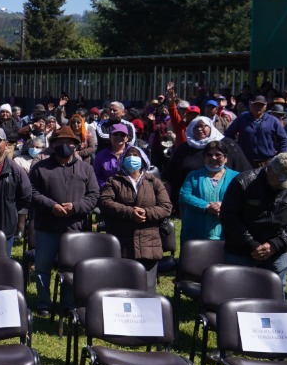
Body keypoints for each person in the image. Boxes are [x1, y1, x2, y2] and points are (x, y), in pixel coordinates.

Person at [27, 126, 100, 314]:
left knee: (71, 268)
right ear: (52, 145)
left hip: (74, 228)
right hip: (46, 227)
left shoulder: (86, 169)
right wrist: (52, 206)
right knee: (43, 266)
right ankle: (43, 302)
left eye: (68, 142)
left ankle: (68, 304)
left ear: (76, 145)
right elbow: (32, 193)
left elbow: (94, 195)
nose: (64, 146)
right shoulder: (40, 168)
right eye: (59, 142)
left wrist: (75, 207)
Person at [220, 152, 287, 290]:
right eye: (282, 180)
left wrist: (275, 244)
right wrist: (253, 245)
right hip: (241, 250)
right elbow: (229, 217)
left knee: (275, 295)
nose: (285, 186)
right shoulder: (243, 182)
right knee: (238, 292)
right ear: (269, 169)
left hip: (277, 252)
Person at [98, 145, 172, 293]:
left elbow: (166, 207)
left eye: (136, 155)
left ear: (143, 160)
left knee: (147, 288)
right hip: (122, 241)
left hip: (149, 243)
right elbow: (105, 202)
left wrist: (146, 213)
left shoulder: (154, 182)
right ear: (123, 160)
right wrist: (130, 212)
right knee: (123, 287)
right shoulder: (114, 181)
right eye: (128, 155)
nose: (132, 158)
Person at [178, 142, 238, 242]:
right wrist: (207, 206)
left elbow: (241, 199)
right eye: (209, 155)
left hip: (227, 235)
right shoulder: (193, 176)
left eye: (218, 154)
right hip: (196, 234)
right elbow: (184, 196)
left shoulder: (236, 177)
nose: (213, 158)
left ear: (226, 158)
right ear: (204, 158)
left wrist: (223, 206)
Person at [225, 95, 287, 167]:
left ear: (265, 106)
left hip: (267, 161)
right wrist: (236, 148)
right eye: (255, 104)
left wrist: (280, 156)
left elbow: (284, 139)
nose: (257, 107)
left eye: (261, 105)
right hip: (245, 160)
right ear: (250, 105)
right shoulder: (242, 119)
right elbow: (228, 135)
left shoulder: (273, 120)